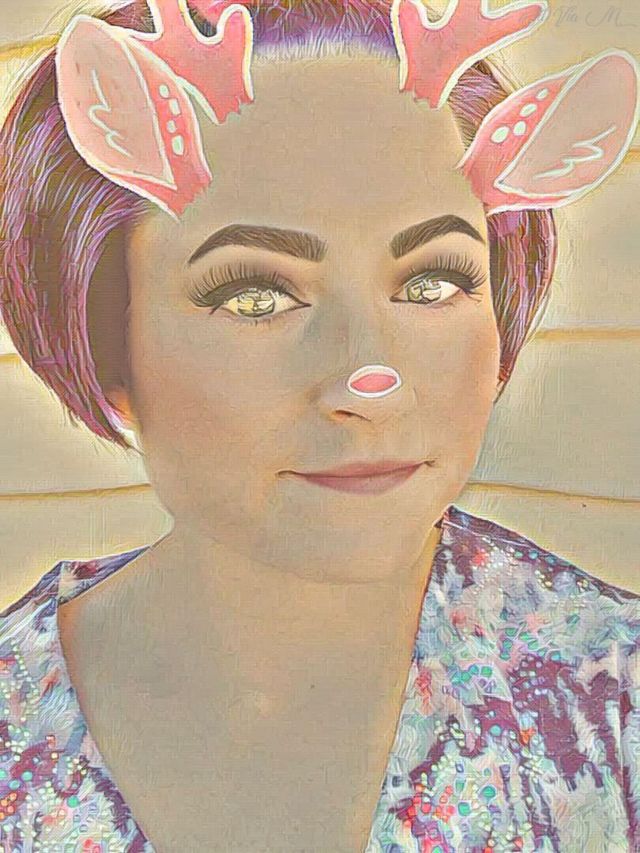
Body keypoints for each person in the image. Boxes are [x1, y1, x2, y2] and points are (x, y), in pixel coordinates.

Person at [0, 0, 638, 850]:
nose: (368, 383)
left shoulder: (617, 698)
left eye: (433, 283)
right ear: (109, 343)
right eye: (255, 296)